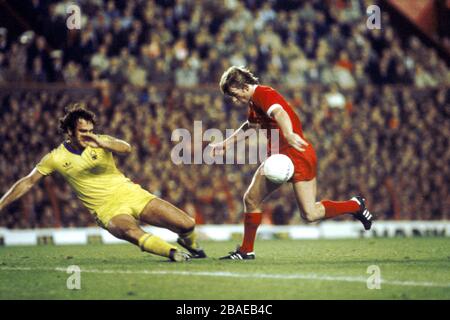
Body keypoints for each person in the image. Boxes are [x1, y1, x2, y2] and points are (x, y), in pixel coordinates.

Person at [0, 104, 206, 262]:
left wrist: (101, 142)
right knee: (133, 232)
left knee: (187, 224)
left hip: (131, 193)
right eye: (82, 131)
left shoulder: (100, 141)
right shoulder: (55, 157)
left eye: (90, 130)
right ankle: (172, 253)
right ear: (69, 131)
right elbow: (28, 182)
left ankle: (192, 246)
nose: (87, 134)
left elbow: (126, 148)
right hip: (106, 209)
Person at [210, 66, 373, 260]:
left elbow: (279, 112)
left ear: (244, 86)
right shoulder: (254, 102)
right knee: (295, 210)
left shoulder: (263, 93)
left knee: (290, 209)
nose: (235, 100)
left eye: (235, 95)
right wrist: (226, 143)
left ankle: (246, 251)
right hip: (293, 155)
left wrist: (287, 133)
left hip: (293, 154)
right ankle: (355, 205)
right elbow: (251, 126)